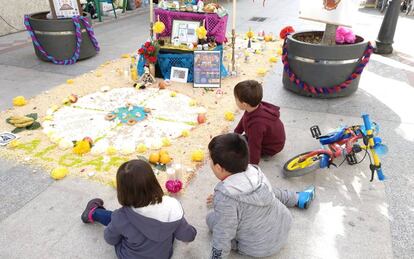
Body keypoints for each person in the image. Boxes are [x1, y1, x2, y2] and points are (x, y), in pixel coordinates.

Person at [206, 133, 315, 259]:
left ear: (219, 168)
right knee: (272, 194)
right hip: (283, 225)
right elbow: (270, 193)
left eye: (210, 159)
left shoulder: (225, 198)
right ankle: (298, 198)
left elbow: (223, 233)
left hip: (258, 247)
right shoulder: (255, 172)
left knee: (211, 219)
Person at [81, 159, 197, 259]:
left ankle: (93, 213)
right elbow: (188, 235)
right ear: (153, 182)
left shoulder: (120, 216)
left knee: (116, 220)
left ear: (123, 191)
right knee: (170, 227)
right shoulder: (172, 207)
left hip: (130, 256)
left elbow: (110, 239)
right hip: (163, 255)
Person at [233, 80, 286, 164]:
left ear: (244, 104)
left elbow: (255, 146)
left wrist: (252, 164)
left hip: (270, 147)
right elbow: (245, 118)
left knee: (239, 147)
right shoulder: (254, 107)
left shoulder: (257, 125)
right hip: (269, 138)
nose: (235, 100)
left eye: (236, 99)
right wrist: (237, 132)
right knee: (238, 140)